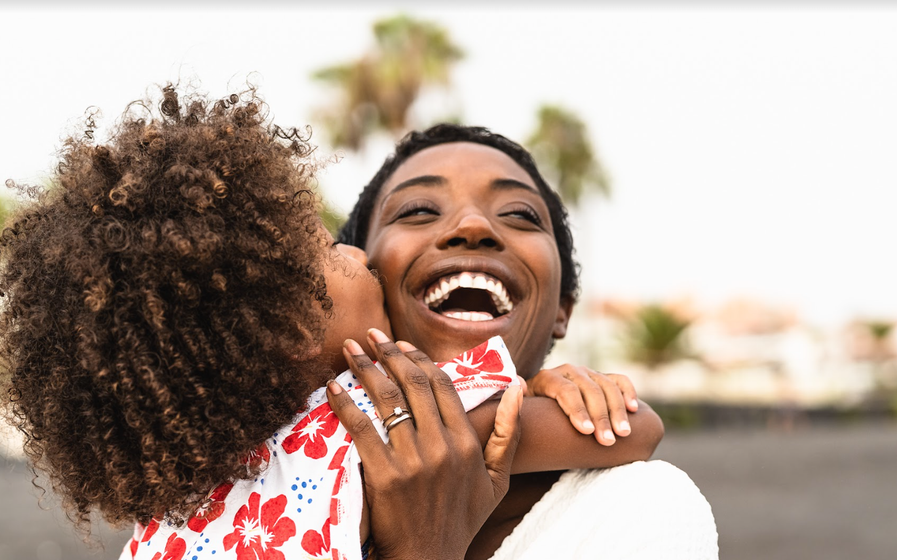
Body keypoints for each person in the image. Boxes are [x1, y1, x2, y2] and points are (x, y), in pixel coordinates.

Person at [0, 86, 662, 560]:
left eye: (519, 214)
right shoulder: (373, 421)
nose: (351, 253)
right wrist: (555, 391)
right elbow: (626, 429)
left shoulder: (173, 523)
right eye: (325, 252)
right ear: (286, 330)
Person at [337, 123, 720, 559]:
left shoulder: (639, 507)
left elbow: (637, 428)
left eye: (519, 214)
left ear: (563, 309)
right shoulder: (258, 457)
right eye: (419, 209)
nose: (473, 225)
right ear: (357, 281)